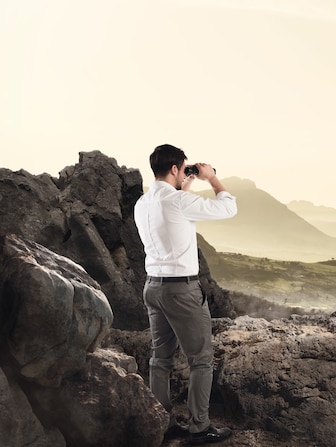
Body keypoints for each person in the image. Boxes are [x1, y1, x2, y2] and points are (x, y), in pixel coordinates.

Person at [134, 144, 237, 444]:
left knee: (160, 359)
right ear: (176, 168)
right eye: (184, 168)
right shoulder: (178, 201)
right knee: (201, 360)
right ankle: (200, 427)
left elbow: (171, 216)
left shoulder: (142, 203)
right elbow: (228, 207)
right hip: (181, 290)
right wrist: (211, 179)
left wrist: (185, 187)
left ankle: (162, 423)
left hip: (153, 287)